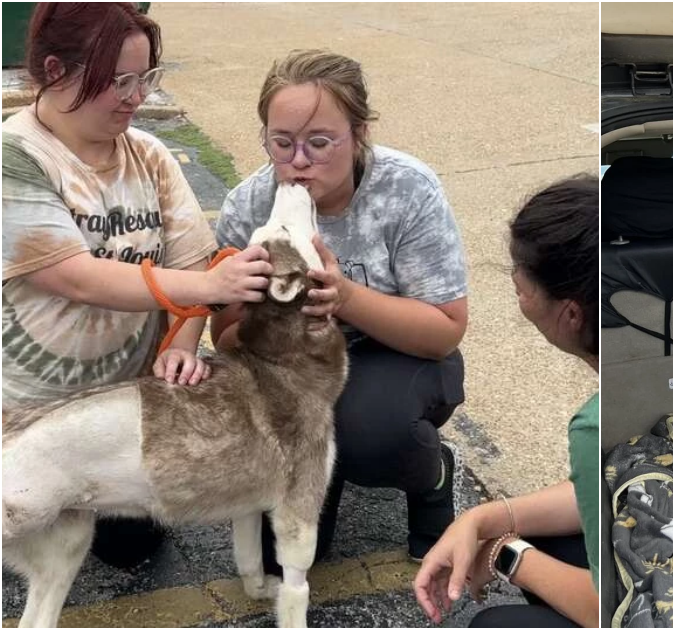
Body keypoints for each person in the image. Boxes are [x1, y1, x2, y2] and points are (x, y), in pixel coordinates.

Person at [1, 2, 272, 569]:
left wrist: (178, 342)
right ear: (55, 71)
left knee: (133, 549)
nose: (136, 96)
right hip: (31, 408)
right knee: (24, 526)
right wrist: (207, 286)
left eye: (144, 78)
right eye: (117, 81)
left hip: (123, 410)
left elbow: (195, 263)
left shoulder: (147, 154)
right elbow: (74, 274)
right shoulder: (15, 158)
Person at [211, 49, 469, 569]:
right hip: (293, 369)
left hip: (395, 354)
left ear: (359, 133)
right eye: (281, 144)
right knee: (281, 562)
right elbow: (225, 339)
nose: (298, 161)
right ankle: (321, 475)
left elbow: (445, 330)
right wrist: (264, 309)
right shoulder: (249, 205)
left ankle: (432, 474)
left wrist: (346, 296)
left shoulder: (406, 190)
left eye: (320, 143)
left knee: (372, 431)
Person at [413, 176, 599, 628]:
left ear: (571, 313)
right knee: (550, 539)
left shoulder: (592, 424)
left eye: (521, 284)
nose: (515, 287)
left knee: (494, 624)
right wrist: (487, 518)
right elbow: (599, 489)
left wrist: (504, 551)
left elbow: (611, 610)